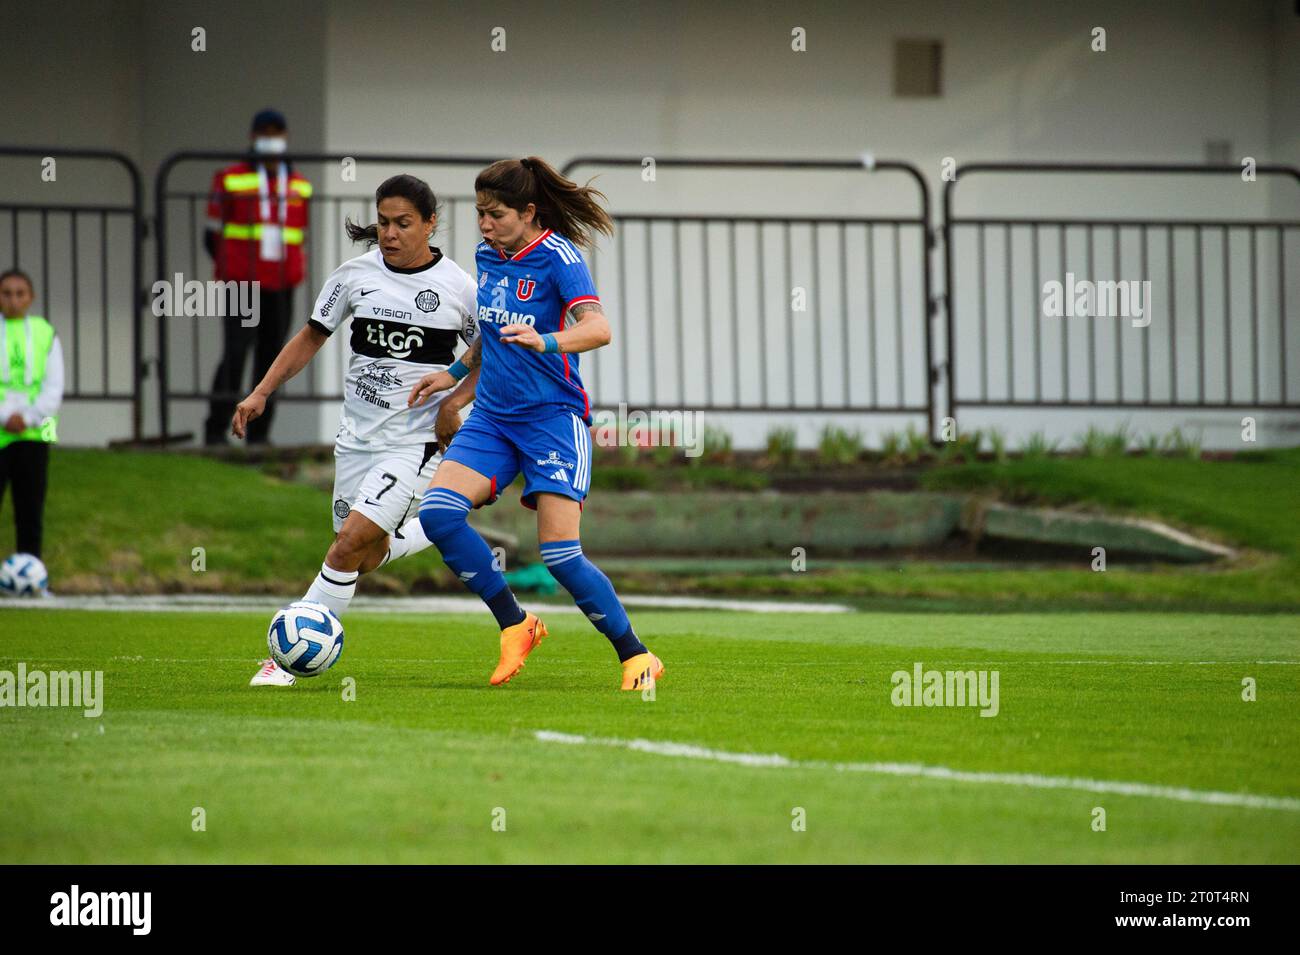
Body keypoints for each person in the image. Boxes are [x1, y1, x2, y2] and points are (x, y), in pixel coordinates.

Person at [408, 157, 663, 691]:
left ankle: (636, 655)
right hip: (495, 419)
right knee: (438, 515)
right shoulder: (487, 254)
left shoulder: (559, 258)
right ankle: (516, 623)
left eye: (495, 213)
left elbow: (598, 328)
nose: (484, 224)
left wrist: (546, 339)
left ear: (528, 212)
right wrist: (454, 379)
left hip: (552, 420)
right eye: (479, 212)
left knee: (561, 556)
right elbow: (494, 334)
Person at [231, 174, 479, 686]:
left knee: (346, 545)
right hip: (357, 439)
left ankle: (285, 661)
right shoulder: (353, 276)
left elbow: (489, 358)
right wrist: (261, 392)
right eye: (384, 222)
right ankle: (430, 528)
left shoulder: (458, 287)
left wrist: (453, 402)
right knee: (361, 558)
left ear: (430, 223)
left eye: (403, 223)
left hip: (417, 441)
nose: (390, 233)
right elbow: (310, 337)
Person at [203, 108, 313, 445]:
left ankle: (260, 437)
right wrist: (234, 265)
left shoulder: (299, 185)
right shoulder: (230, 178)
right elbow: (211, 234)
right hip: (242, 282)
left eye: (277, 132)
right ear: (253, 137)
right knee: (235, 353)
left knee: (273, 359)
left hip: (282, 284)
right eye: (265, 132)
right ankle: (215, 431)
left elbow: (300, 235)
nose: (271, 138)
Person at [0, 269, 63, 572]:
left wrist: (27, 417)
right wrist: (4, 417)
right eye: (6, 293)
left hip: (37, 431)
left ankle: (33, 576)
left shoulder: (44, 332)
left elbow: (54, 387)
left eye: (20, 293)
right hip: (0, 430)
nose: (13, 300)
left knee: (31, 510)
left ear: (31, 297)